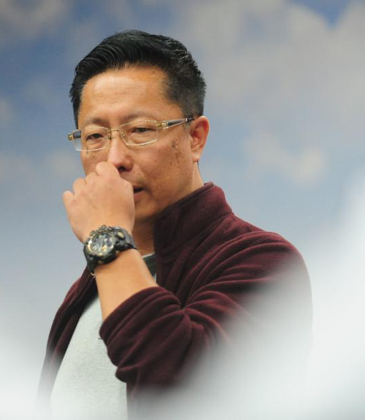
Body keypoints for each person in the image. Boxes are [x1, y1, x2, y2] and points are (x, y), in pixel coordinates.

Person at [39, 30, 312, 419]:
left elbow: (180, 395)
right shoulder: (89, 287)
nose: (114, 159)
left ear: (195, 138)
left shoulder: (264, 261)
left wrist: (106, 239)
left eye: (140, 130)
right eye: (95, 136)